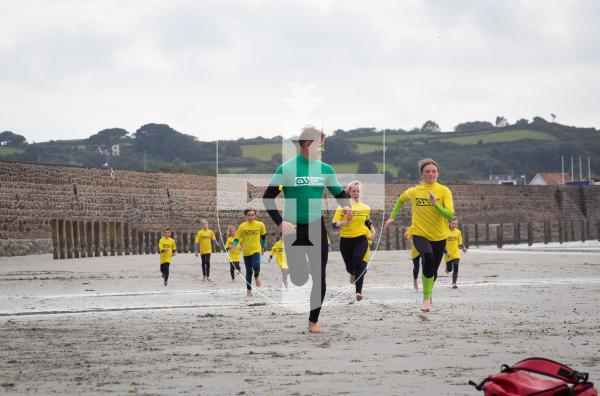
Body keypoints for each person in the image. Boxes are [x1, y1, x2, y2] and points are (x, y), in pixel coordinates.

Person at [263, 125, 352, 334]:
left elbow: (338, 193)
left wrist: (346, 205)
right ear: (306, 145)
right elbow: (268, 197)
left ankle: (313, 322)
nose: (321, 150)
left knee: (320, 275)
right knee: (299, 278)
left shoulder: (325, 170)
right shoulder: (287, 169)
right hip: (292, 228)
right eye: (319, 146)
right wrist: (279, 222)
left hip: (316, 226)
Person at [384, 158, 454, 312]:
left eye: (434, 171)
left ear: (438, 173)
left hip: (440, 235)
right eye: (427, 171)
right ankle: (426, 299)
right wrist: (392, 217)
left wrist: (436, 205)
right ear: (422, 174)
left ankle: (427, 294)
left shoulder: (444, 191)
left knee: (432, 271)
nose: (431, 174)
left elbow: (450, 215)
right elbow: (400, 200)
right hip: (419, 233)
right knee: (427, 257)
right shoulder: (414, 191)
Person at [331, 180, 375, 301]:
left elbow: (367, 220)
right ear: (349, 192)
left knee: (358, 260)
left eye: (358, 191)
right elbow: (334, 224)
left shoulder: (366, 207)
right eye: (354, 191)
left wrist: (372, 229)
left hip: (361, 238)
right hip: (346, 240)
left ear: (361, 192)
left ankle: (358, 292)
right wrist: (344, 223)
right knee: (350, 267)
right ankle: (352, 272)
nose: (356, 193)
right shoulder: (343, 206)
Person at [233, 209, 267, 297]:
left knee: (256, 266)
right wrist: (234, 245)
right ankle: (249, 290)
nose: (251, 217)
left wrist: (262, 247)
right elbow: (236, 238)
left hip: (256, 249)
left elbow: (263, 237)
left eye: (252, 215)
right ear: (245, 216)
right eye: (248, 215)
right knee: (249, 271)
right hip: (246, 252)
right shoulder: (242, 226)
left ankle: (256, 276)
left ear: (255, 215)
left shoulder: (260, 225)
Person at [444, 217, 467, 289]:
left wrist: (463, 248)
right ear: (449, 223)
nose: (454, 225)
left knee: (456, 266)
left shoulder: (458, 232)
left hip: (456, 252)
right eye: (453, 223)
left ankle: (454, 283)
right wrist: (445, 252)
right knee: (450, 268)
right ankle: (447, 269)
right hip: (448, 253)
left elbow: (459, 243)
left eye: (456, 224)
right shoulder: (444, 231)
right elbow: (441, 244)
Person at [404, 226, 421, 291]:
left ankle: (426, 282)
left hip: (425, 249)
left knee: (426, 265)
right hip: (415, 250)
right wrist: (406, 236)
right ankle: (415, 281)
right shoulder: (413, 227)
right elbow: (407, 237)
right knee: (416, 266)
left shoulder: (426, 224)